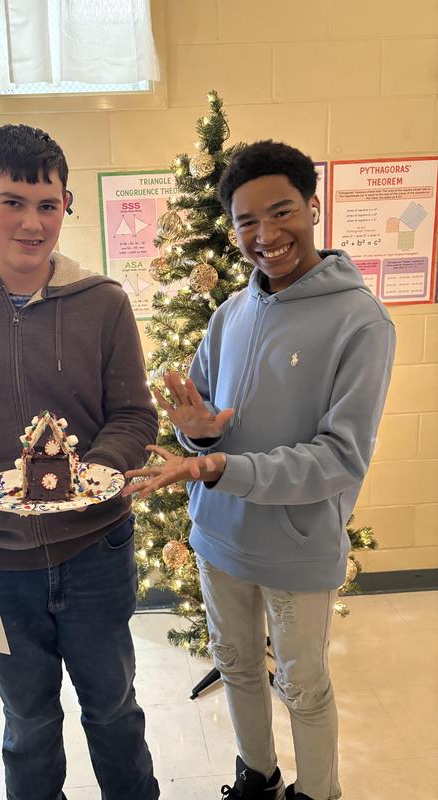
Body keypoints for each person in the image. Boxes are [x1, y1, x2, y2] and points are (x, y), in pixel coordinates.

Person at [124, 140, 396, 800]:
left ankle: (317, 792)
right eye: (247, 222)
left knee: (302, 685)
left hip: (297, 546)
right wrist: (198, 428)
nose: (266, 235)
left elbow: (339, 457)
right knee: (237, 665)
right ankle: (257, 777)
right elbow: (212, 415)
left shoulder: (361, 321)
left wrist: (221, 464)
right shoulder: (229, 314)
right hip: (218, 537)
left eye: (281, 213)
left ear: (312, 205)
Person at [0, 124, 160, 800]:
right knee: (29, 721)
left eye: (48, 205)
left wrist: (96, 472)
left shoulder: (104, 304)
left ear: (66, 205)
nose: (32, 223)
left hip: (95, 550)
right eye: (14, 202)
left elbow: (135, 415)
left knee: (113, 712)